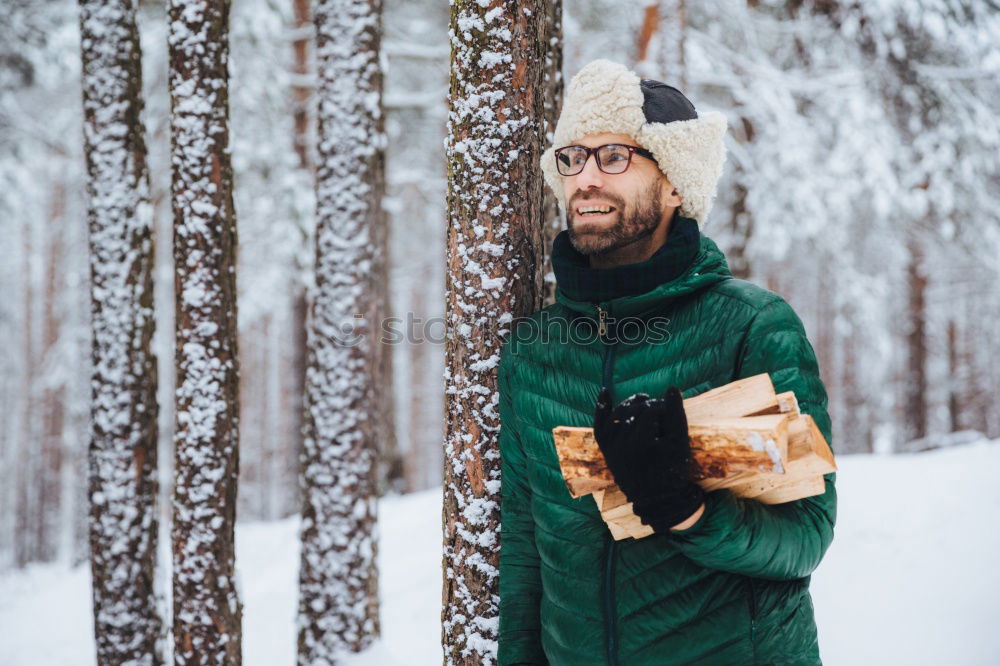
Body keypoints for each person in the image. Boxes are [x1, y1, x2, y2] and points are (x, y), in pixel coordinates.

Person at [497, 59, 837, 665]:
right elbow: (525, 559)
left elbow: (806, 537)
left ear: (676, 181)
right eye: (573, 157)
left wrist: (687, 509)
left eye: (615, 157)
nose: (586, 179)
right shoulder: (534, 350)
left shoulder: (750, 327)